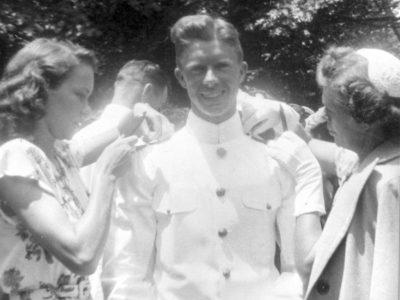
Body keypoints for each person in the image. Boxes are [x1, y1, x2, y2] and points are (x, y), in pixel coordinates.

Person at [107, 14, 325, 300]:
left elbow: (294, 270)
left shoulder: (280, 157)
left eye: (222, 66)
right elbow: (128, 275)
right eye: (197, 69)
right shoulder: (149, 160)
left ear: (242, 71)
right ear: (180, 78)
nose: (210, 80)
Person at [0, 38, 140, 300]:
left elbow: (118, 133)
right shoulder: (15, 156)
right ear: (39, 91)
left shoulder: (59, 155)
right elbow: (81, 255)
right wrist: (106, 175)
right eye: (80, 95)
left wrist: (142, 115)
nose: (87, 110)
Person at [303, 47, 400, 299]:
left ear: (364, 117)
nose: (325, 121)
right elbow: (320, 150)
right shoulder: (375, 162)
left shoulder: (386, 182)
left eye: (331, 113)